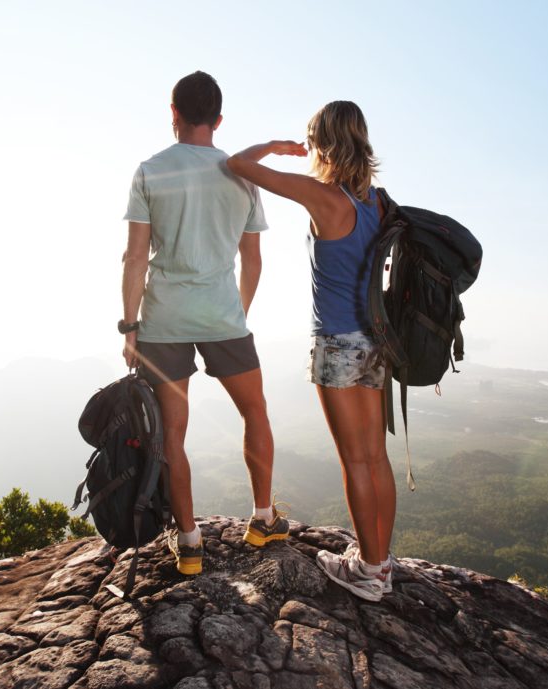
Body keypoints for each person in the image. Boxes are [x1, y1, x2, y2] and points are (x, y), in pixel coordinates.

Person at [120, 71, 289, 576]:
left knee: (173, 432)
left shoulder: (151, 169)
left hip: (163, 319)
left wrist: (130, 328)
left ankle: (190, 542)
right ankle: (262, 518)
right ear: (218, 119)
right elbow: (253, 259)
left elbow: (134, 258)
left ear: (173, 113)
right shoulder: (241, 173)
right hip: (224, 316)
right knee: (255, 412)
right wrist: (237, 311)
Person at [226, 101, 395, 601]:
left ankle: (366, 570)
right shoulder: (379, 202)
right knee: (376, 458)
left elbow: (236, 164)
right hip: (377, 343)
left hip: (337, 345)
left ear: (323, 142)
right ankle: (381, 562)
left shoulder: (321, 197)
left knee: (354, 463)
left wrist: (276, 148)